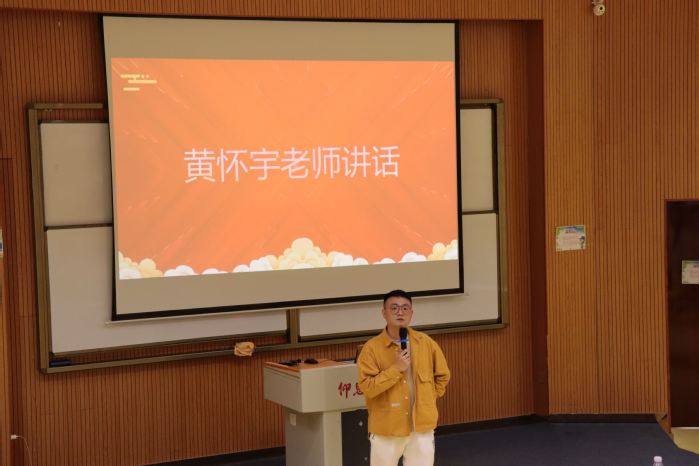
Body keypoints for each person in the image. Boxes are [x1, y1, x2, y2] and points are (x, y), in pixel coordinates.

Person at [357, 289, 451, 466]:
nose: (400, 312)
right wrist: (396, 369)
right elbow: (367, 387)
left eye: (405, 308)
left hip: (421, 427)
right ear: (384, 313)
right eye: (394, 308)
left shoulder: (425, 343)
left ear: (411, 313)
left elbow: (443, 376)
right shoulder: (372, 348)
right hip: (387, 428)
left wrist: (428, 398)